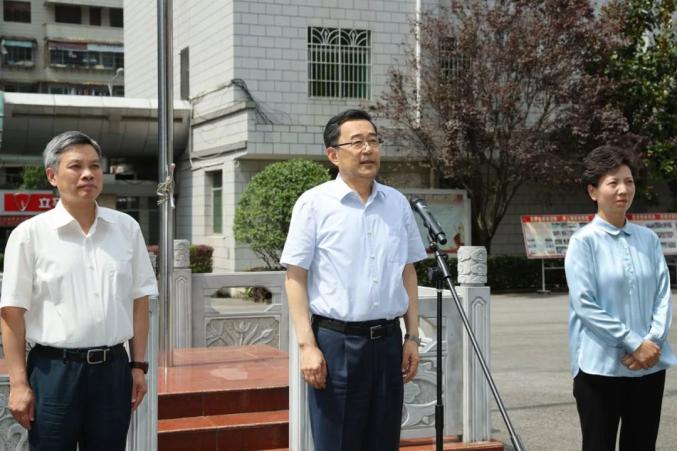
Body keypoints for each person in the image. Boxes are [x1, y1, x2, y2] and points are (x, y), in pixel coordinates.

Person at [0, 131, 159, 451]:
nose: (88, 174)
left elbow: (139, 301)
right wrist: (18, 383)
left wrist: (138, 366)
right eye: (76, 166)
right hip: (54, 372)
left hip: (114, 370)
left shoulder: (126, 228)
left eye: (95, 166)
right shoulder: (29, 235)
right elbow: (11, 313)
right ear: (52, 176)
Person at [281, 109, 427, 451]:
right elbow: (295, 277)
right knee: (338, 442)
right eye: (357, 142)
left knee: (384, 441)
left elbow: (407, 271)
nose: (368, 149)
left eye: (373, 141)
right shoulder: (313, 204)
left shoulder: (396, 203)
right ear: (333, 155)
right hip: (337, 344)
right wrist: (307, 346)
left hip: (389, 343)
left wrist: (412, 337)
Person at [565, 144, 677, 451]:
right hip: (600, 367)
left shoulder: (648, 239)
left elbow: (662, 295)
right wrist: (634, 343)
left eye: (628, 181)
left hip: (649, 365)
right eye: (613, 182)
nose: (623, 190)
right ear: (593, 191)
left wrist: (651, 343)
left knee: (642, 444)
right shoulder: (583, 242)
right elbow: (585, 305)